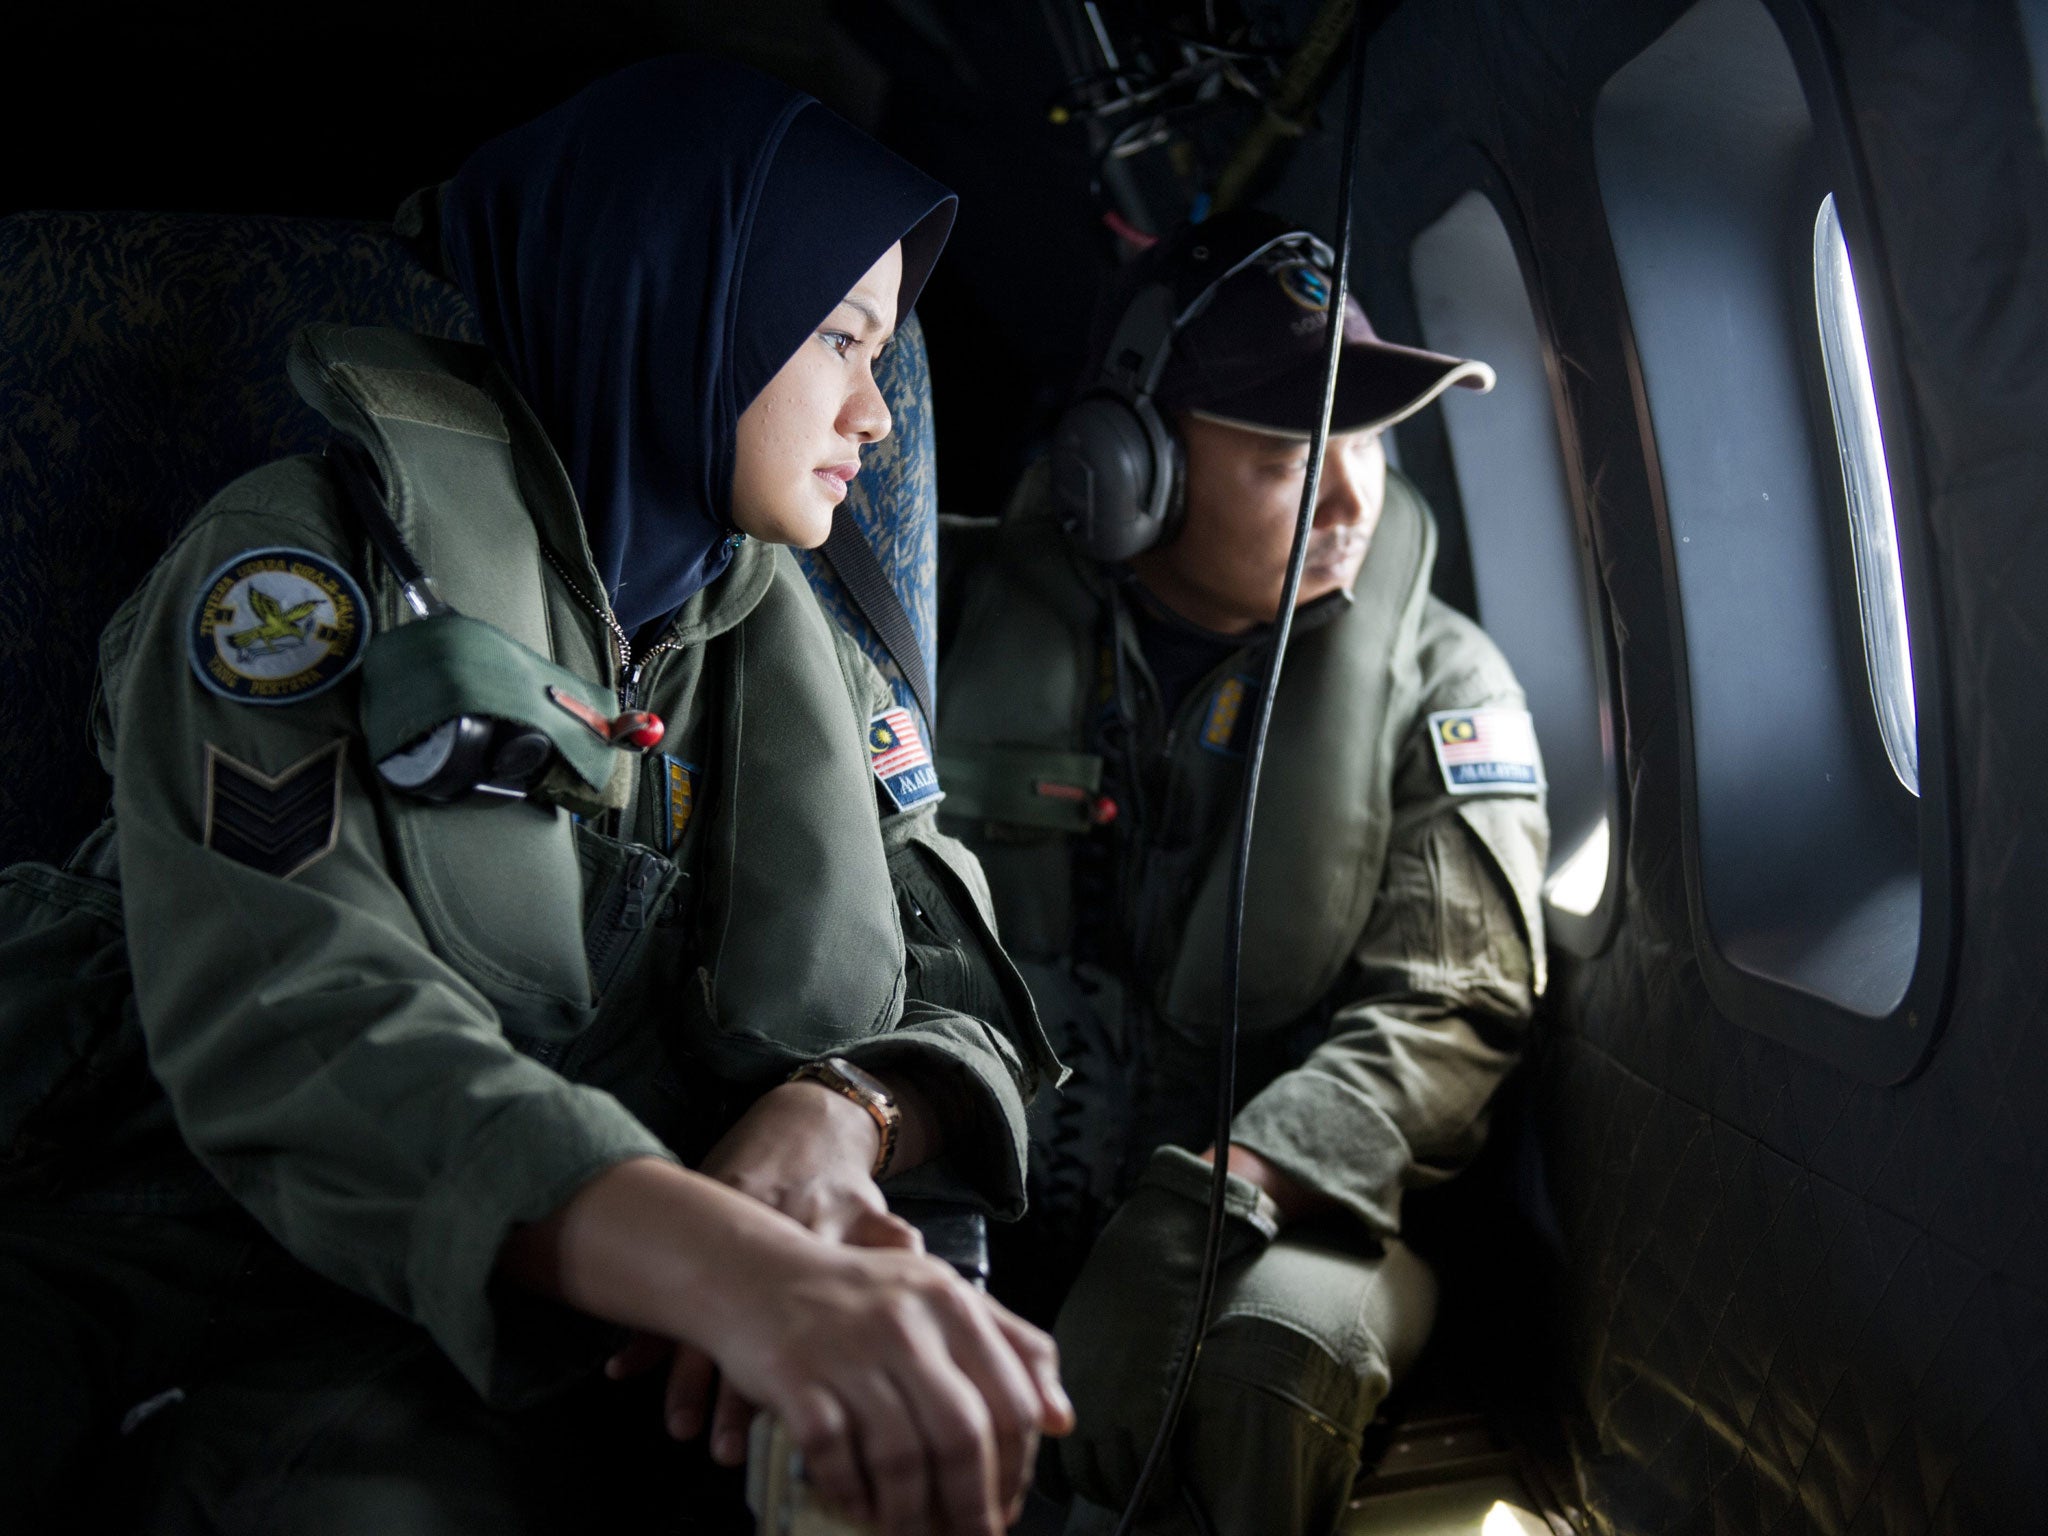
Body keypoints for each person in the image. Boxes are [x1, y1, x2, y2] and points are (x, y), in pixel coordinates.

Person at [0, 56, 1071, 1536]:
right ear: (678, 303)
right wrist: (734, 1270)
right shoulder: (305, 573)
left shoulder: (799, 645)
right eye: (839, 339)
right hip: (214, 1264)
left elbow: (967, 986)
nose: (879, 417)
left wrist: (839, 1120)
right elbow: (297, 1010)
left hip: (587, 1290)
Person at [934, 212, 1549, 1536]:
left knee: (1273, 1368)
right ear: (1131, 465)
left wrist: (1222, 1192)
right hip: (994, 1151)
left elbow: (1448, 1015)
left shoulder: (1444, 686)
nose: (1350, 498)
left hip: (1298, 1206)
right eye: (1286, 455)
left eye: (1368, 441)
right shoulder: (946, 615)